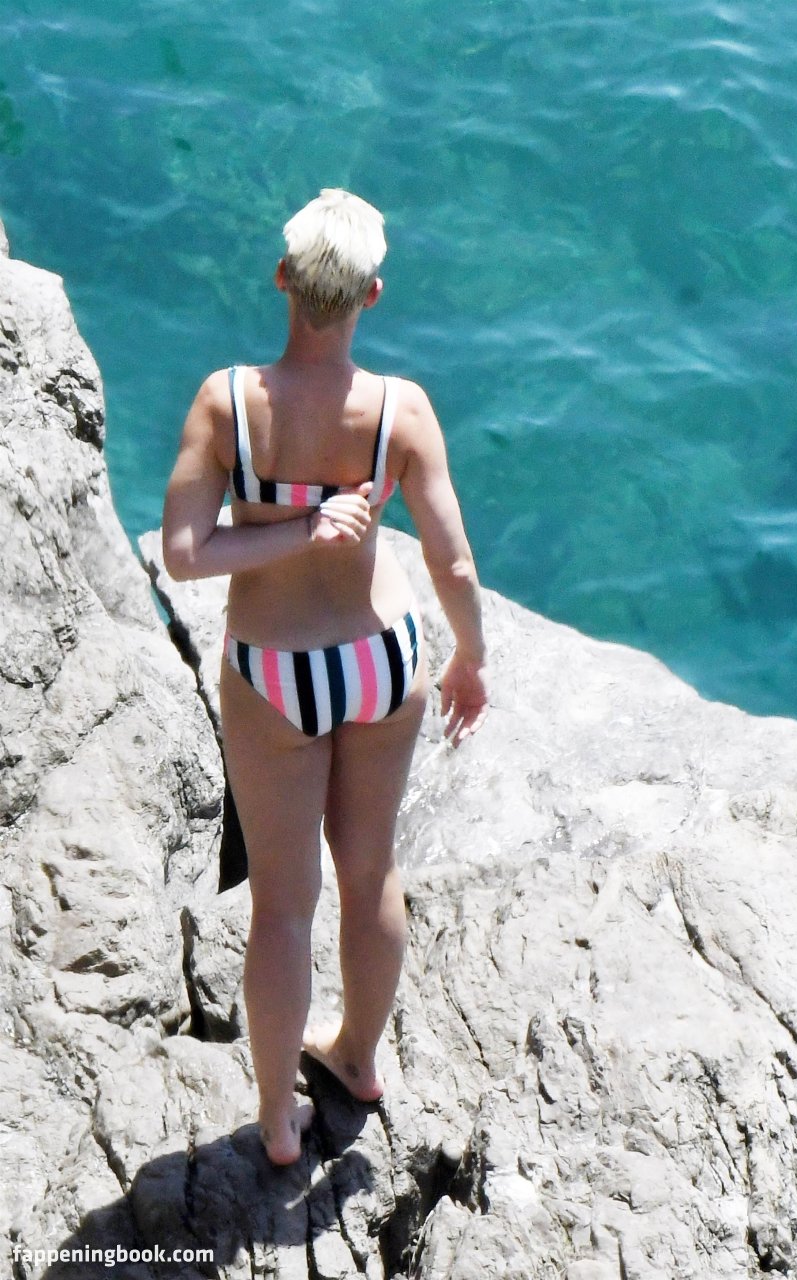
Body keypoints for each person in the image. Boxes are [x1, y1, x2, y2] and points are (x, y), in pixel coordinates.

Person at [162, 189, 488, 1165]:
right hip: (379, 659)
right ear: (371, 295)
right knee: (371, 870)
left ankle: (276, 1121)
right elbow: (452, 561)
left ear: (283, 280)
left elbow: (184, 553)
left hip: (274, 671)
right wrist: (469, 657)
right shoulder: (399, 411)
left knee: (282, 903)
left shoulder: (228, 403)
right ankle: (356, 1057)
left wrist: (293, 529)